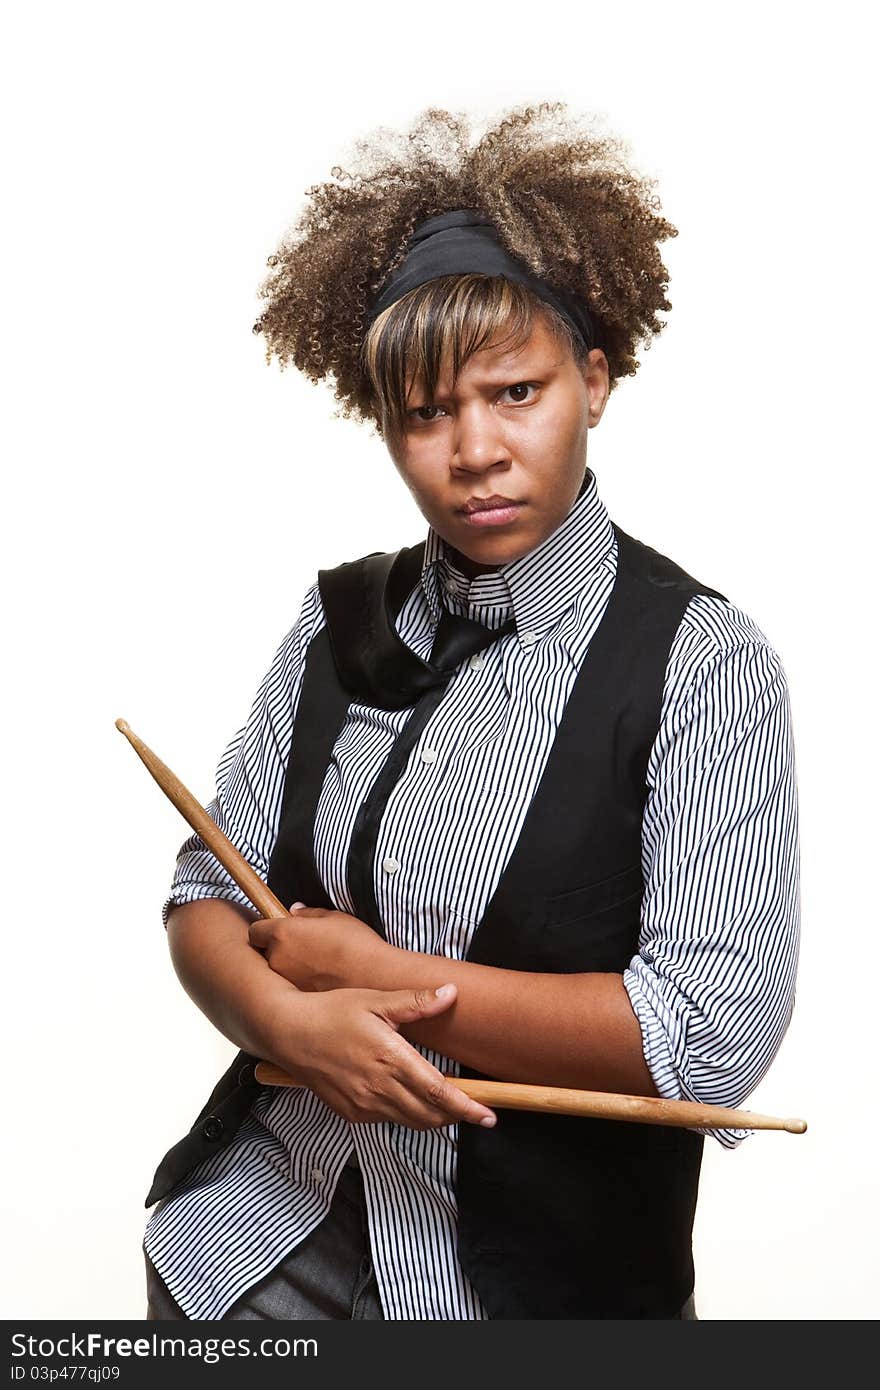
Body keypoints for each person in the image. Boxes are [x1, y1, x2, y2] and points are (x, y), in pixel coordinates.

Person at [141, 102, 800, 1321]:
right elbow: (206, 893)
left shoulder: (700, 663)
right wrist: (288, 1016)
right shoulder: (339, 618)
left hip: (525, 1297)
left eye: (514, 391)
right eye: (426, 412)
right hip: (245, 1256)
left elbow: (707, 1041)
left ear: (593, 380)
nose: (474, 449)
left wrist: (375, 975)